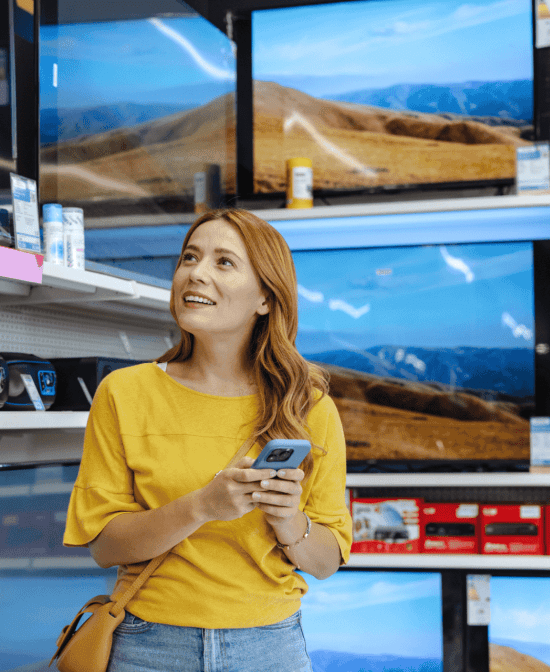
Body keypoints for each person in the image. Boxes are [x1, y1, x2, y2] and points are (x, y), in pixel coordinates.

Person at [62, 208, 353, 672]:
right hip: (147, 645)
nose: (196, 274)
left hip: (270, 648)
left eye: (224, 262)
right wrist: (203, 507)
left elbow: (324, 562)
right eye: (190, 258)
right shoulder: (125, 392)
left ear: (264, 297)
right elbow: (105, 546)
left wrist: (288, 518)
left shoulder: (309, 407)